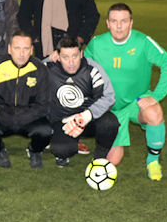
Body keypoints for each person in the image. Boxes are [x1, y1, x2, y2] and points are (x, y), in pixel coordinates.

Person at [84, 3, 167, 180]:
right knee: (112, 162)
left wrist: (155, 96)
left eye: (124, 21)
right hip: (109, 108)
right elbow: (82, 69)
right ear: (108, 23)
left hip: (136, 103)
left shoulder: (143, 42)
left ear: (131, 23)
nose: (119, 26)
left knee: (154, 112)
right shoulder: (97, 44)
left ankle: (153, 161)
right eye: (114, 21)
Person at [0, 31, 51, 169]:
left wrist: (22, 116)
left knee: (46, 131)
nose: (21, 53)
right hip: (3, 116)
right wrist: (0, 110)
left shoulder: (40, 69)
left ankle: (34, 151)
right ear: (9, 49)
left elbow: (44, 104)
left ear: (31, 50)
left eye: (26, 49)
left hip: (29, 118)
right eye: (17, 48)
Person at [45, 36, 119, 167]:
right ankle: (60, 143)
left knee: (110, 123)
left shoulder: (93, 69)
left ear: (81, 54)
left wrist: (86, 115)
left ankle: (99, 158)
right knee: (61, 150)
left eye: (74, 56)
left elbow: (109, 97)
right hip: (63, 122)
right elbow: (29, 74)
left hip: (88, 120)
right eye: (65, 57)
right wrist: (47, 59)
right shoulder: (49, 68)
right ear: (58, 56)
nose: (71, 62)